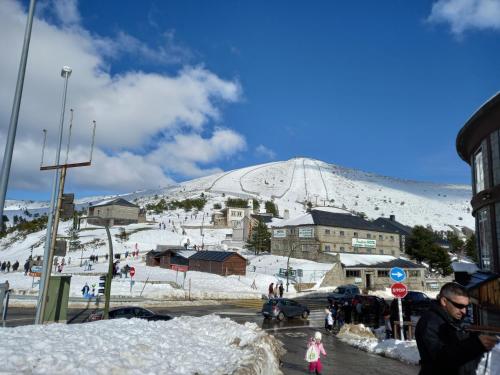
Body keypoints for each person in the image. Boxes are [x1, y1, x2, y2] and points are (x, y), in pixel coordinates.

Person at [415, 282, 497, 374]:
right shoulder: (430, 322)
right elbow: (441, 358)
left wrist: (476, 340)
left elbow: (458, 349)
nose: (464, 311)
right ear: (444, 301)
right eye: (459, 306)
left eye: (467, 306)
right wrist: (475, 344)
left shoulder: (452, 319)